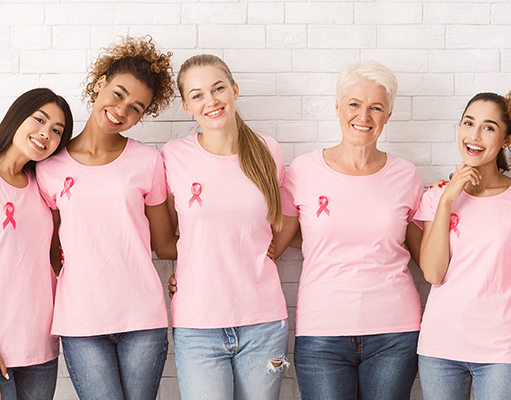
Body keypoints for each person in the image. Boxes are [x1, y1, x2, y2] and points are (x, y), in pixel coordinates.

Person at [35, 36, 177, 400]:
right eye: (118, 93)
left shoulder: (148, 161)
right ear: (100, 84)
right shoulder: (48, 167)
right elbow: (48, 251)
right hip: (81, 320)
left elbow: (164, 245)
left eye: (136, 107)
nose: (122, 110)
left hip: (142, 318)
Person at [272, 60, 424, 400]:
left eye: (376, 108)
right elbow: (273, 244)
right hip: (322, 333)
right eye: (355, 104)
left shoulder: (406, 175)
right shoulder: (303, 171)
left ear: (388, 115)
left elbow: (428, 259)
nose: (364, 116)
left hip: (395, 333)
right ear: (338, 107)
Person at [161, 54, 289, 400]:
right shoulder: (173, 156)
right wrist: (191, 264)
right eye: (198, 94)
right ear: (187, 105)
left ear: (234, 90)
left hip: (264, 324)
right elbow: (174, 234)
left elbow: (285, 217)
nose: (211, 100)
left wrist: (272, 248)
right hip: (197, 324)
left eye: (218, 88)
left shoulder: (268, 151)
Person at [415, 92, 511, 400]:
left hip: (501, 349)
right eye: (468, 123)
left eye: (489, 127)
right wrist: (447, 200)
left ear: (506, 140)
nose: (474, 135)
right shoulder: (436, 197)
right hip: (440, 347)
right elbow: (432, 272)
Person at [0, 88, 73, 400]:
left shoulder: (42, 186)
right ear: (17, 116)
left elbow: (55, 258)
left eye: (57, 130)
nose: (46, 133)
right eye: (39, 120)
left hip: (40, 347)